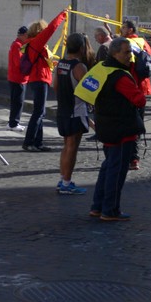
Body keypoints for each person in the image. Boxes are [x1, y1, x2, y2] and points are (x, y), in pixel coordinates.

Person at [75, 37, 146, 221]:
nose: (130, 55)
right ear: (115, 53)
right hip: (121, 128)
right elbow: (140, 99)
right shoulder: (119, 76)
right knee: (116, 171)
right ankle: (110, 210)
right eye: (126, 52)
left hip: (106, 126)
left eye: (130, 51)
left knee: (107, 168)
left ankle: (97, 207)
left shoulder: (100, 68)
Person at [54, 33, 94, 195]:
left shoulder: (60, 64)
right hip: (75, 110)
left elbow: (55, 86)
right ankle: (66, 182)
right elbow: (88, 90)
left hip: (63, 109)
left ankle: (63, 178)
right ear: (81, 48)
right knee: (72, 147)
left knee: (66, 146)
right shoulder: (79, 67)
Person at [22, 11, 66, 152]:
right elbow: (51, 29)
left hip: (39, 78)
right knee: (38, 112)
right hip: (39, 78)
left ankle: (37, 142)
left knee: (40, 112)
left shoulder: (33, 45)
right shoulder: (37, 42)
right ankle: (29, 142)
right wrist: (62, 15)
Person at [121, 19, 151, 170]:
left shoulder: (128, 43)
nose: (121, 29)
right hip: (143, 86)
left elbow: (126, 64)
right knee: (138, 121)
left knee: (130, 123)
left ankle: (132, 157)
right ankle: (133, 156)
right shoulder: (144, 42)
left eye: (123, 27)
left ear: (130, 30)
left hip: (131, 86)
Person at [7, 26, 30, 131]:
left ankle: (13, 122)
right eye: (27, 35)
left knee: (16, 101)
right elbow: (19, 62)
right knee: (18, 101)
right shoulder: (18, 45)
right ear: (23, 35)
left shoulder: (18, 45)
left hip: (17, 78)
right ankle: (14, 123)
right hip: (18, 78)